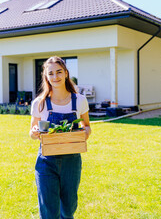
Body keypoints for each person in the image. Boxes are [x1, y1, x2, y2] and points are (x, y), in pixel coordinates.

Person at [29, 56, 91, 219]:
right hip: (46, 161)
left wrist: (85, 133)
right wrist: (35, 132)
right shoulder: (39, 103)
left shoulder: (79, 101)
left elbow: (87, 125)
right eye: (51, 73)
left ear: (65, 73)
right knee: (49, 211)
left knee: (68, 209)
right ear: (46, 77)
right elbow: (32, 131)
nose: (55, 77)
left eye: (59, 72)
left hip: (72, 161)